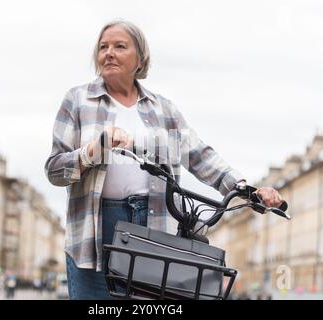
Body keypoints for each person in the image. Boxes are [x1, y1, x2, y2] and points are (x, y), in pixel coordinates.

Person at [44, 19, 284, 300]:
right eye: (103, 47)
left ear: (140, 58)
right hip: (96, 227)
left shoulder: (163, 109)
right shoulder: (77, 100)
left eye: (120, 46)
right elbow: (54, 170)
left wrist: (245, 188)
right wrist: (91, 152)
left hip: (154, 223)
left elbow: (199, 155)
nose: (109, 52)